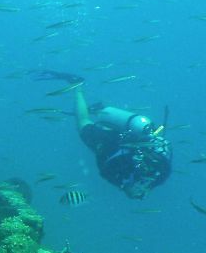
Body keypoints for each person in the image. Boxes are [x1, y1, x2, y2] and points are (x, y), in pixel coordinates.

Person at [36, 70, 172, 199]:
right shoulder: (153, 171)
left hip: (132, 137)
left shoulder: (160, 172)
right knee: (83, 122)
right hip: (111, 143)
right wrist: (124, 187)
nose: (142, 187)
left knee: (96, 125)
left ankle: (102, 111)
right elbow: (105, 170)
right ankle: (77, 86)